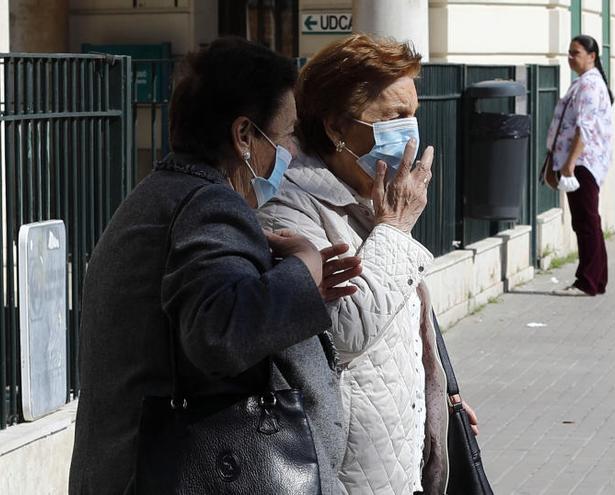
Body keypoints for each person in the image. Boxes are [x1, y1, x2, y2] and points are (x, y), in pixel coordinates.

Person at [68, 37, 360, 495]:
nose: (289, 152)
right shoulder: (208, 206)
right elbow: (219, 335)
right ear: (244, 135)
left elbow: (189, 318)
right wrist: (303, 265)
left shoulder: (161, 196)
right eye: (284, 135)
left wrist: (290, 286)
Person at [257, 34, 478, 494]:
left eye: (413, 114)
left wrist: (437, 402)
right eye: (395, 117)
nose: (411, 131)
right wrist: (394, 229)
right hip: (350, 473)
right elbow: (345, 333)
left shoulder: (368, 196)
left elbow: (403, 323)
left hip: (400, 460)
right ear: (337, 127)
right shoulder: (289, 209)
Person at [548, 34, 614, 297]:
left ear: (592, 56)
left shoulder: (589, 86)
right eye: (569, 52)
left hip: (582, 164)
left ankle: (587, 281)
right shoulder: (585, 83)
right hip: (582, 163)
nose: (570, 57)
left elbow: (584, 128)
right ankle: (596, 280)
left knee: (586, 222)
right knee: (588, 222)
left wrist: (569, 165)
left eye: (575, 52)